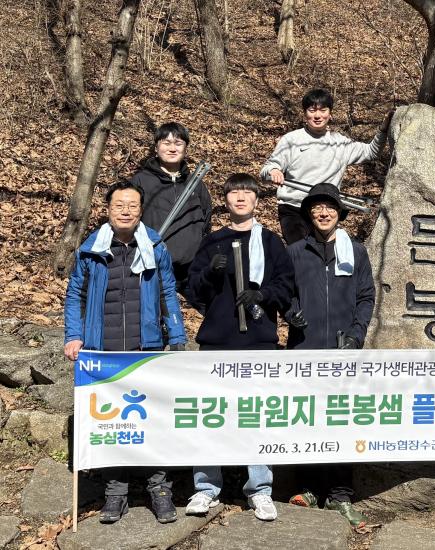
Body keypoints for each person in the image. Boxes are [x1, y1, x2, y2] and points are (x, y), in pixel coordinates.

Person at [63, 181, 187, 525]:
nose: (126, 210)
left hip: (144, 348)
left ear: (141, 210)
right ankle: (115, 493)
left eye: (132, 205)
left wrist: (175, 334)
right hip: (102, 351)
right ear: (107, 209)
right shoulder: (91, 250)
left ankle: (158, 488)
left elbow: (168, 291)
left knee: (151, 419)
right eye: (119, 205)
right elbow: (76, 295)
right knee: (111, 424)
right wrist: (74, 335)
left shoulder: (155, 247)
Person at [185, 173, 293, 521]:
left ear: (257, 200)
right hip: (218, 342)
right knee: (209, 415)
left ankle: (260, 489)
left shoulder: (272, 243)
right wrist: (211, 274)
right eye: (234, 193)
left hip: (259, 342)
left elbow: (286, 286)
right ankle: (205, 488)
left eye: (247, 192)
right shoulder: (213, 240)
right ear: (226, 200)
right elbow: (194, 291)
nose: (241, 197)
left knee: (256, 416)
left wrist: (263, 294)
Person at [284, 183, 375, 528]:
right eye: (317, 208)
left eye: (330, 208)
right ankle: (307, 489)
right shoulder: (295, 252)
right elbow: (284, 291)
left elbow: (366, 296)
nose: (323, 213)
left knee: (341, 421)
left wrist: (356, 334)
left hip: (343, 351)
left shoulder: (356, 251)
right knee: (306, 418)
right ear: (309, 213)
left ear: (339, 213)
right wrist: (290, 312)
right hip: (304, 349)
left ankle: (339, 495)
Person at [260, 88, 394, 244]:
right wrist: (274, 171)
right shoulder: (291, 140)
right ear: (305, 114)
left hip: (325, 209)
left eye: (323, 110)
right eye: (312, 110)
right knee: (301, 252)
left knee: (324, 256)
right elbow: (266, 170)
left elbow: (371, 152)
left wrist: (384, 128)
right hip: (293, 208)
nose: (317, 116)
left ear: (330, 114)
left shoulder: (340, 143)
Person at [131, 122, 212, 298]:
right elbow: (129, 221)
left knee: (210, 311)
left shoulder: (196, 183)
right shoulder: (141, 181)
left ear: (185, 149)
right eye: (166, 143)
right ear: (156, 147)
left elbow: (206, 220)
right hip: (154, 264)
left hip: (192, 268)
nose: (172, 148)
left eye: (178, 143)